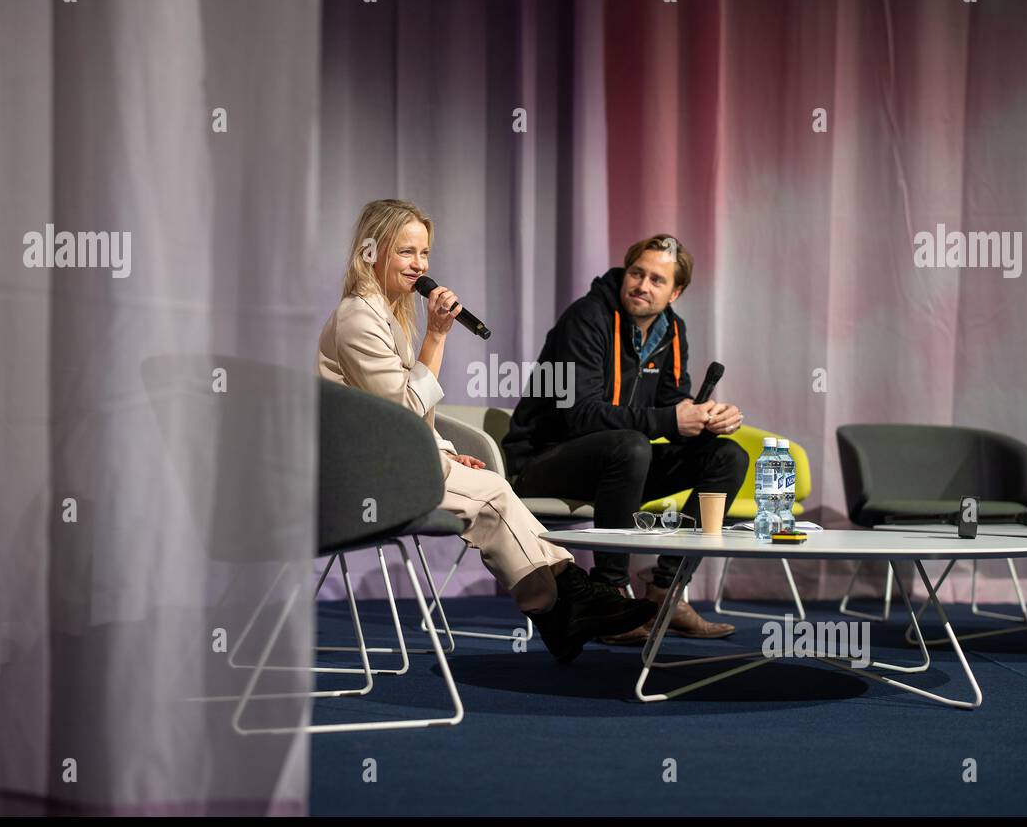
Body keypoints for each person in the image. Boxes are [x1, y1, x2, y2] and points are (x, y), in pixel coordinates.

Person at [317, 199, 656, 663]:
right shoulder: (359, 318)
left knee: (490, 488)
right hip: (367, 478)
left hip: (392, 459)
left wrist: (444, 450)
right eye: (406, 252)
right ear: (371, 254)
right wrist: (436, 337)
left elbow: (399, 416)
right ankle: (567, 602)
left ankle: (565, 606)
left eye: (425, 253)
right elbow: (401, 408)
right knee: (493, 493)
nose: (420, 265)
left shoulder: (388, 314)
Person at [505, 234, 748, 642]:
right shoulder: (587, 317)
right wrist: (671, 420)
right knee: (631, 445)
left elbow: (669, 399)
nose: (642, 285)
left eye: (657, 280)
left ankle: (666, 591)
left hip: (620, 467)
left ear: (676, 292)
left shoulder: (672, 330)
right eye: (637, 273)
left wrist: (706, 415)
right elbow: (578, 415)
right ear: (625, 271)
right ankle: (609, 596)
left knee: (727, 456)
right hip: (545, 461)